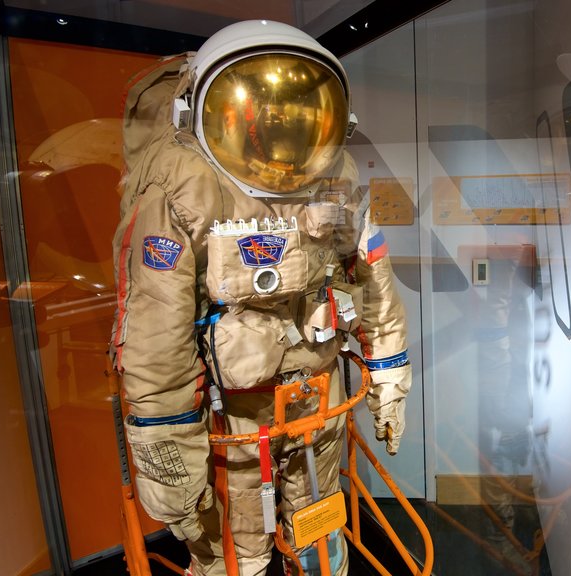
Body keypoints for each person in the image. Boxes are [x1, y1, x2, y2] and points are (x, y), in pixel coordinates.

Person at [110, 20, 411, 576]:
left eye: (299, 109)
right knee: (236, 560)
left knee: (323, 543)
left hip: (317, 410)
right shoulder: (182, 182)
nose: (282, 124)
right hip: (231, 432)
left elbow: (371, 278)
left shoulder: (335, 172)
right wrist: (170, 464)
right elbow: (157, 340)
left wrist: (390, 374)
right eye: (265, 107)